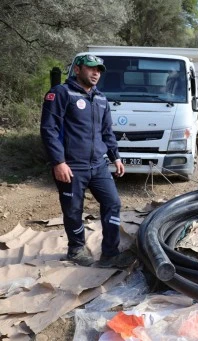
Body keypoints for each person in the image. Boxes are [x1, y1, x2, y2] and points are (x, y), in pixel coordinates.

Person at [40, 54, 135, 268]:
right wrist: (58, 162)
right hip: (71, 166)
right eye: (91, 68)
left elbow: (107, 132)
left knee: (113, 203)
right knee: (73, 209)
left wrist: (116, 157)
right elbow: (49, 130)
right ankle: (76, 249)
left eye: (99, 70)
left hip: (98, 165)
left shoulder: (101, 99)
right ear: (77, 70)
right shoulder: (61, 94)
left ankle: (110, 253)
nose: (96, 73)